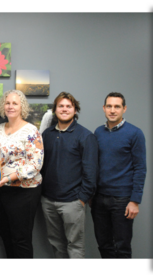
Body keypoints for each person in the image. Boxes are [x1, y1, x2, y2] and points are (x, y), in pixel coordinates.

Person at [40, 92, 98, 258]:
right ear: (55, 109)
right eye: (61, 106)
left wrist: (81, 199)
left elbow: (91, 171)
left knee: (75, 247)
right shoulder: (47, 135)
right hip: (48, 201)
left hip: (73, 202)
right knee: (56, 244)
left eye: (68, 106)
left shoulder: (86, 136)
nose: (64, 109)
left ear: (75, 109)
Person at [0, 90, 44, 258]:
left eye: (15, 103)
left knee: (21, 239)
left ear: (22, 107)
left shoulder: (31, 131)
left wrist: (9, 178)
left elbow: (36, 164)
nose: (10, 106)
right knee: (5, 235)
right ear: (2, 106)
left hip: (24, 192)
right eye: (7, 103)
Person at [92, 92, 146, 258]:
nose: (113, 110)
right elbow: (94, 165)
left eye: (117, 106)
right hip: (99, 199)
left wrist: (135, 201)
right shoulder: (98, 132)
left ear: (124, 109)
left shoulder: (135, 133)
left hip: (122, 200)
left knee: (122, 247)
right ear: (104, 108)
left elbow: (140, 168)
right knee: (104, 245)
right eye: (109, 106)